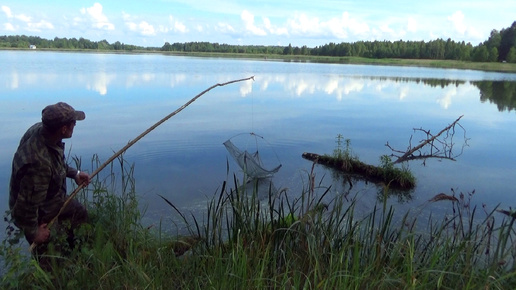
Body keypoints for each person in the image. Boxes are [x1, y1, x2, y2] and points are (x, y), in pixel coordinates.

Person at [9, 102, 91, 249]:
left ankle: (75, 248)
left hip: (49, 197)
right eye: (73, 122)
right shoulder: (38, 164)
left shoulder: (46, 133)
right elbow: (24, 206)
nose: (75, 125)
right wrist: (34, 232)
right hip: (36, 211)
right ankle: (50, 261)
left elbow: (56, 164)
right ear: (64, 129)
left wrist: (75, 174)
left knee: (79, 213)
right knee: (50, 250)